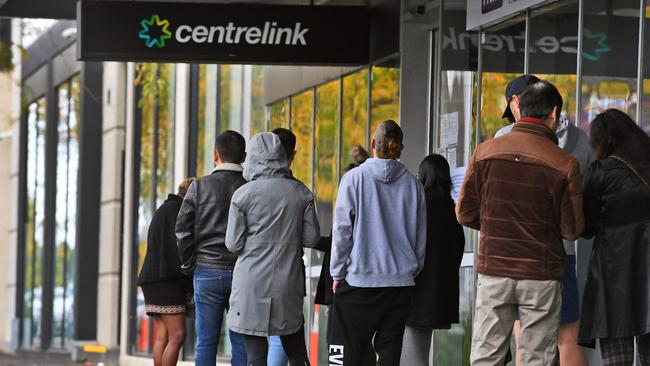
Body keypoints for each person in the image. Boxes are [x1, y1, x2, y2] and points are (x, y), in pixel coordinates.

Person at [456, 80, 584, 365]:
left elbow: (464, 213)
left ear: (519, 108)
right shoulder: (564, 163)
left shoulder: (485, 152)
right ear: (553, 114)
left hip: (494, 269)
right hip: (542, 272)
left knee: (486, 356)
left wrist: (495, 227)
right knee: (536, 357)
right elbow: (572, 229)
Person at [495, 75, 590, 366]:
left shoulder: (505, 137)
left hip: (515, 252)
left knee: (524, 334)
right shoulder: (579, 139)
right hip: (562, 251)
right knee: (567, 336)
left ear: (516, 101)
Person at [328, 120, 427, 365]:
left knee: (347, 346)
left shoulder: (353, 179)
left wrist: (337, 272)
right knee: (390, 348)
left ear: (373, 144)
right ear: (401, 148)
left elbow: (342, 230)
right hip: (400, 283)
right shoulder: (414, 185)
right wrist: (411, 271)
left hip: (361, 279)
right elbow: (420, 237)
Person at [225, 132, 320, 366]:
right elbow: (311, 238)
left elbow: (233, 244)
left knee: (255, 354)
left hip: (251, 283)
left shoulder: (242, 195)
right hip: (288, 282)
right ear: (281, 156)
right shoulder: (301, 193)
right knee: (296, 350)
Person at [579, 109, 650, 365]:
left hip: (613, 274)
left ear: (603, 140)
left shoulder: (601, 171)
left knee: (617, 357)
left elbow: (585, 227)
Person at [176, 131, 248, 366]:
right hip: (242, 272)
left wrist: (189, 264)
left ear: (215, 154)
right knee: (241, 342)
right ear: (244, 156)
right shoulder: (250, 187)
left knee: (206, 342)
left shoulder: (198, 187)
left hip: (206, 271)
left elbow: (183, 230)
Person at [400, 154, 465, 366]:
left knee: (410, 356)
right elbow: (458, 251)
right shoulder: (453, 213)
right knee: (420, 351)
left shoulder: (417, 209)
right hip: (440, 296)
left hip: (414, 294)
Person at [138, 178, 195, 366]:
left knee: (162, 337)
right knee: (178, 335)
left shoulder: (164, 209)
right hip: (166, 281)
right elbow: (180, 249)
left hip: (151, 281)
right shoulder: (179, 211)